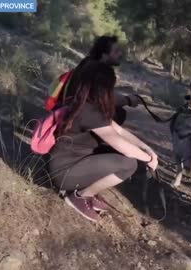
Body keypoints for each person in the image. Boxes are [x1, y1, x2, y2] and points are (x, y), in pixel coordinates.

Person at [48, 61, 159, 222]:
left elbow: (119, 131)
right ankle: (80, 196)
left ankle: (84, 188)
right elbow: (121, 144)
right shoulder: (88, 111)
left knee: (125, 155)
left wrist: (147, 149)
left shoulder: (86, 102)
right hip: (64, 172)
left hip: (73, 162)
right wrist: (148, 159)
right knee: (128, 164)